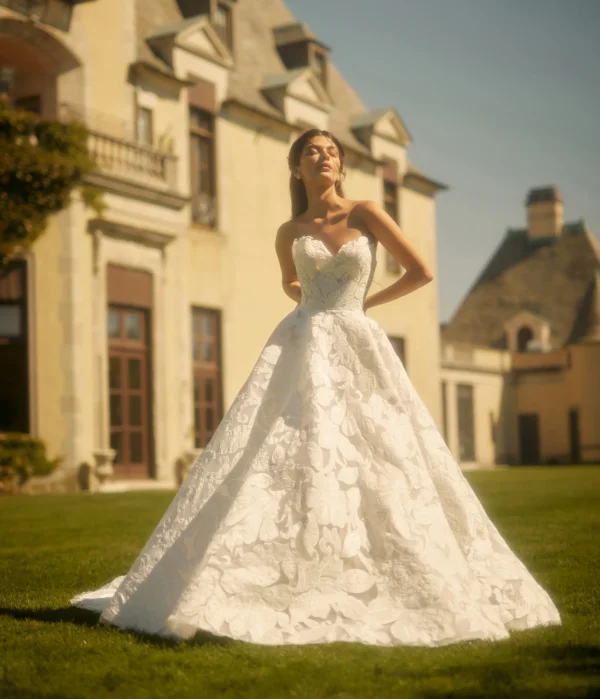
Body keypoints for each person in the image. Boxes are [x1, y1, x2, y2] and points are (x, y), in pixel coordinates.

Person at [71, 129, 561, 646]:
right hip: (302, 340)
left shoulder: (367, 212)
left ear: (341, 167)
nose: (323, 157)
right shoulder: (289, 231)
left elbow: (420, 271)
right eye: (312, 151)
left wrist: (364, 303)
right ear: (296, 167)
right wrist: (311, 299)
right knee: (289, 451)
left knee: (383, 450)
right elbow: (290, 281)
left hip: (357, 338)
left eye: (331, 152)